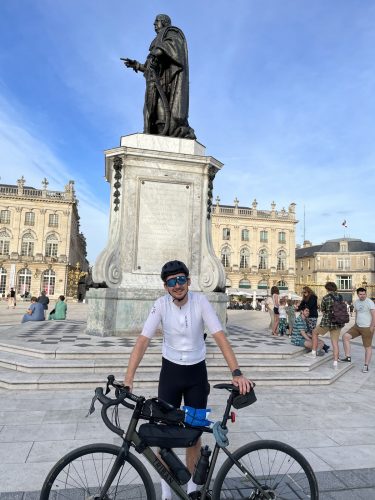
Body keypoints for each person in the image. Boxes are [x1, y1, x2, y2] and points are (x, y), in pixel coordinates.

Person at [123, 260, 253, 499]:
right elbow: (143, 340)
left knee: (193, 435)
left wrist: (236, 372)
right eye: (171, 282)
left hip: (196, 375)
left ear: (189, 281)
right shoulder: (160, 305)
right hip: (170, 373)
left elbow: (219, 335)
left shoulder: (200, 301)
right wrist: (128, 379)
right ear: (165, 286)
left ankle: (193, 491)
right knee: (163, 435)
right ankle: (166, 494)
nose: (177, 285)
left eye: (181, 279)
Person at [123, 14, 196, 139]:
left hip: (167, 83)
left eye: (156, 21)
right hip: (155, 82)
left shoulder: (172, 32)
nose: (154, 24)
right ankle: (155, 136)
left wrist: (157, 52)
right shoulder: (157, 41)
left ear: (164, 22)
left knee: (162, 109)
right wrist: (136, 65)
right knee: (151, 109)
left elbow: (172, 46)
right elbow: (148, 67)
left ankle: (162, 136)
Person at [305, 282, 345, 368]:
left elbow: (322, 309)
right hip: (338, 322)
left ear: (327, 289)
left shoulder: (326, 298)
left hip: (327, 321)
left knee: (314, 332)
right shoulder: (340, 297)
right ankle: (335, 363)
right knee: (335, 343)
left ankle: (313, 353)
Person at [341, 288, 375, 373]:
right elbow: (357, 313)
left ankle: (366, 365)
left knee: (367, 347)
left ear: (366, 294)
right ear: (358, 294)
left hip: (367, 327)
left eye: (364, 294)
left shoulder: (370, 302)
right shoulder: (356, 302)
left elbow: (374, 315)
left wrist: (372, 326)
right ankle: (348, 357)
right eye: (360, 294)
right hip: (357, 326)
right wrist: (355, 323)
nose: (362, 296)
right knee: (345, 336)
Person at [298, 286, 330, 353]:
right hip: (307, 317)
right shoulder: (305, 298)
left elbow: (309, 306)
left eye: (305, 292)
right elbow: (300, 306)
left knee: (312, 333)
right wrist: (301, 307)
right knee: (309, 333)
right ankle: (323, 346)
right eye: (303, 292)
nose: (304, 294)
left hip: (312, 317)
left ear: (308, 291)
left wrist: (303, 307)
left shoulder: (313, 297)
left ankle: (322, 346)